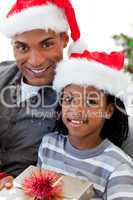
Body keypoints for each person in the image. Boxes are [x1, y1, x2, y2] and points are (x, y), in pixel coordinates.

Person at [0, 0, 85, 186]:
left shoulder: (81, 95)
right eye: (22, 47)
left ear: (64, 39)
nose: (35, 61)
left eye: (46, 44)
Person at [38, 50, 133, 199]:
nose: (76, 109)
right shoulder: (48, 145)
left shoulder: (118, 167)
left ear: (108, 111)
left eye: (91, 102)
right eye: (69, 99)